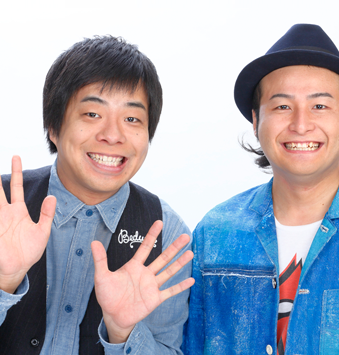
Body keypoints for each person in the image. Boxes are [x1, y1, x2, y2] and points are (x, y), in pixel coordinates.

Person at [183, 24, 339, 354]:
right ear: (255, 120)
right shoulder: (216, 233)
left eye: (320, 106)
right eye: (282, 106)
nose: (300, 125)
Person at [0, 36, 194, 355]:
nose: (112, 135)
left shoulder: (167, 233)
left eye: (131, 119)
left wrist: (123, 332)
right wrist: (4, 283)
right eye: (92, 114)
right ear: (53, 126)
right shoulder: (3, 208)